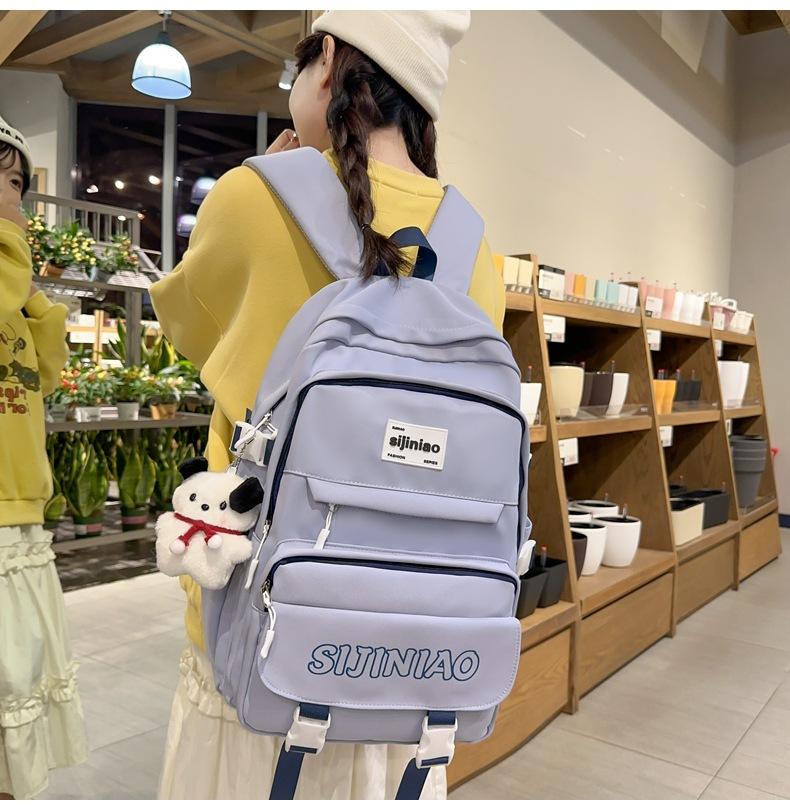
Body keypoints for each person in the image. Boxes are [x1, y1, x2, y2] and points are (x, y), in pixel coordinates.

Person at [150, 11, 505, 800]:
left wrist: (263, 179)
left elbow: (185, 329)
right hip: (413, 649)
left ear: (332, 58)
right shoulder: (477, 246)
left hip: (263, 627)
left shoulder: (254, 195)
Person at [0, 116, 88, 800]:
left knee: (18, 682)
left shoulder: (15, 287)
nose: (15, 199)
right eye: (3, 181)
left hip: (18, 506)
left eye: (18, 184)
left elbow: (45, 375)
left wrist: (39, 306)